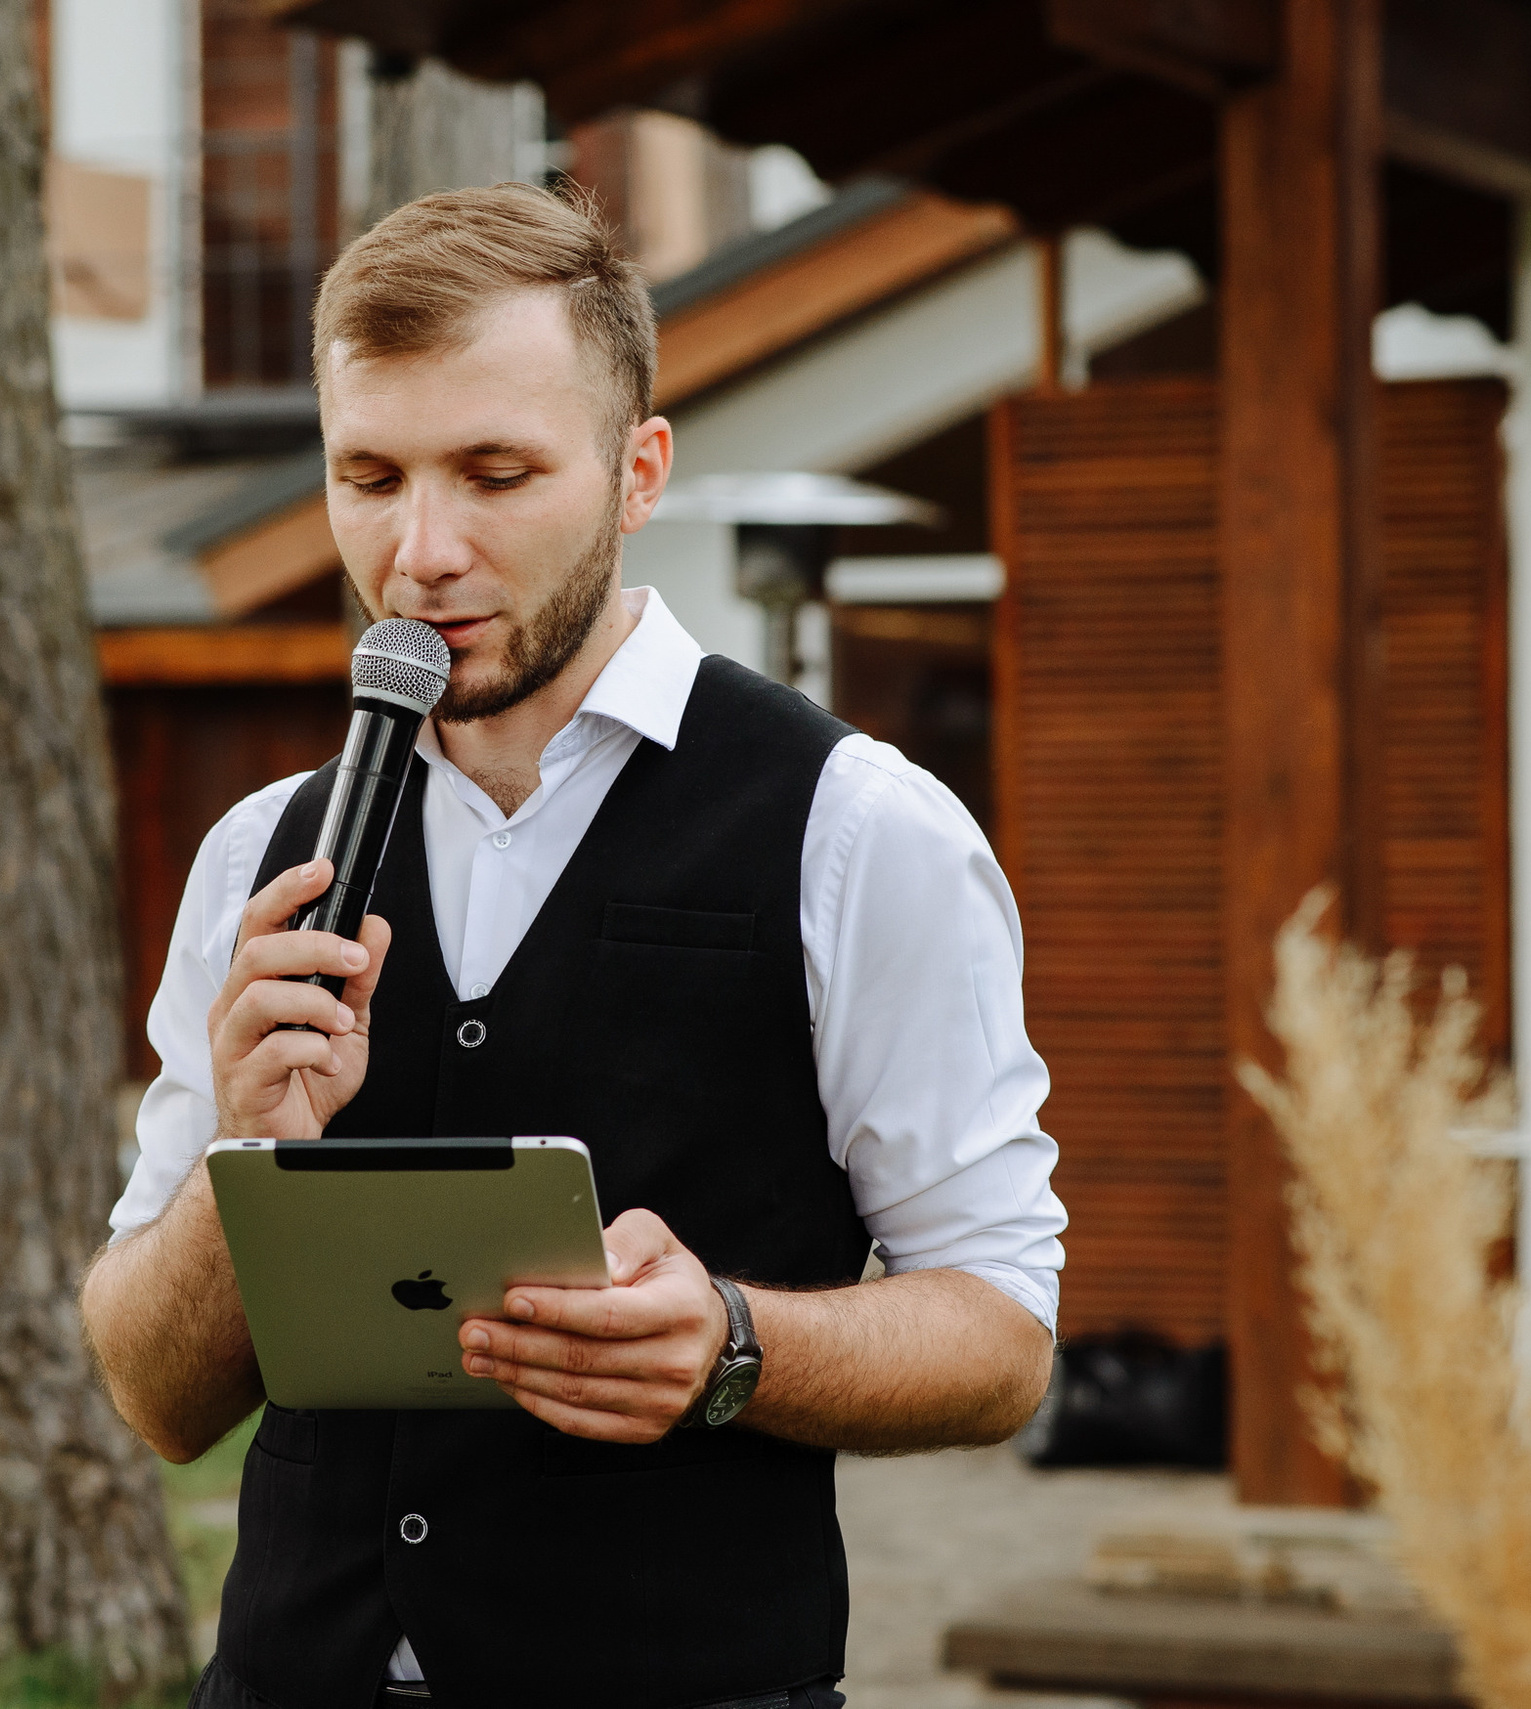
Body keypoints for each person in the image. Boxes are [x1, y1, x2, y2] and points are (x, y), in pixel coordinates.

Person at [80, 182, 1065, 1709]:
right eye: (371, 476)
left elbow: (1001, 1334)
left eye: (495, 473)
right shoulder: (262, 851)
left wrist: (736, 1346)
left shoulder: (860, 828)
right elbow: (154, 1397)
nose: (421, 552)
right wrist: (244, 1163)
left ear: (637, 470)